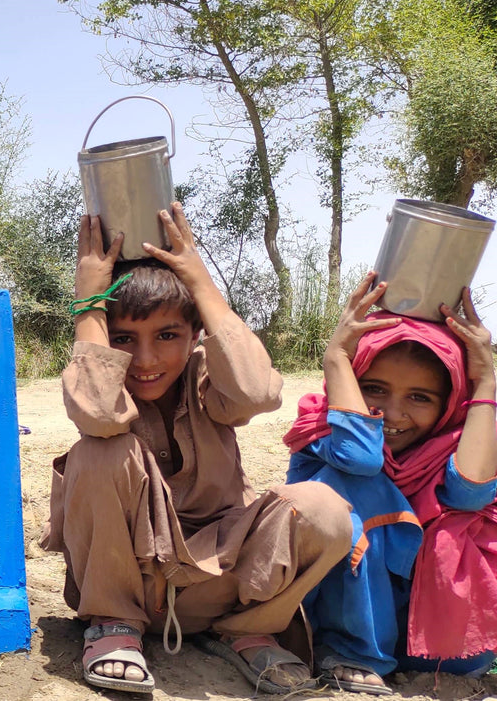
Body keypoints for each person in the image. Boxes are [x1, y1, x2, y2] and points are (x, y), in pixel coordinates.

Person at [42, 207, 353, 694]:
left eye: (168, 336)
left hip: (221, 586)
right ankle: (112, 628)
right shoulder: (99, 374)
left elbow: (258, 392)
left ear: (194, 336)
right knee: (100, 451)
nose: (145, 360)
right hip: (132, 587)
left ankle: (247, 632)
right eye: (124, 339)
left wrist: (201, 283)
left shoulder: (209, 376)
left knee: (325, 511)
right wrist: (88, 306)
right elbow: (99, 415)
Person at [284, 274, 497, 694]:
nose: (393, 414)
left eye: (420, 397)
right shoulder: (324, 432)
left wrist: (487, 381)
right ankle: (351, 649)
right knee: (349, 484)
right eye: (373, 389)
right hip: (342, 628)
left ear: (450, 402)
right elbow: (361, 458)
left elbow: (470, 493)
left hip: (433, 641)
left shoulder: (458, 444)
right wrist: (336, 358)